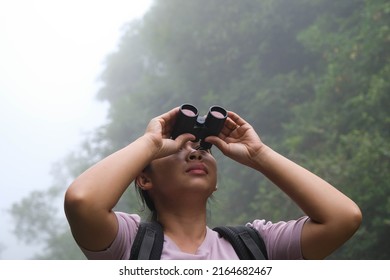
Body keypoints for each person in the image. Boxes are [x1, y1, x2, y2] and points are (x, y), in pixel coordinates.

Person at [64, 107, 362, 260]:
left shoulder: (257, 246)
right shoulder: (128, 244)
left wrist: (259, 155)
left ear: (215, 184)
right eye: (177, 147)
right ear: (143, 178)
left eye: (204, 149)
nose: (195, 151)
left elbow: (343, 218)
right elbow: (82, 201)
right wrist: (152, 142)